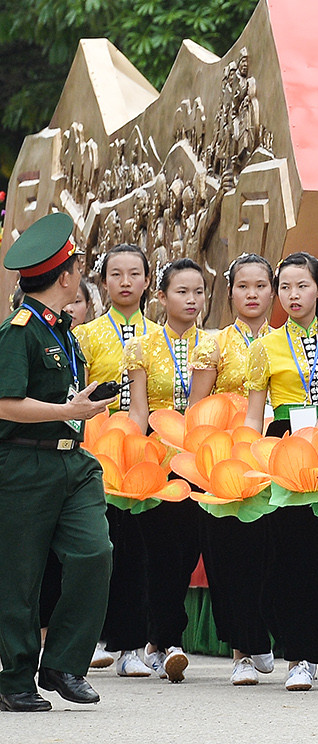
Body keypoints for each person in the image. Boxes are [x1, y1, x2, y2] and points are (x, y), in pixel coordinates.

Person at [0, 212, 112, 713]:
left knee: (95, 554)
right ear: (64, 275)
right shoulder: (18, 331)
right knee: (19, 578)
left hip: (74, 463)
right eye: (78, 267)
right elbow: (4, 402)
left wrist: (80, 404)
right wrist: (68, 410)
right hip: (24, 465)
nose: (81, 273)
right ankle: (16, 676)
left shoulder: (63, 329)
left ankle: (64, 663)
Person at [242, 253, 318, 692]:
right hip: (284, 442)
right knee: (284, 553)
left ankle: (312, 652)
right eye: (284, 287)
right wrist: (250, 459)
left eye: (302, 286)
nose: (292, 296)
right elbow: (252, 414)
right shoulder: (264, 346)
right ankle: (295, 656)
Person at [188, 253, 275, 683]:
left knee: (271, 552)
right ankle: (241, 648)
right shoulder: (212, 344)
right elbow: (197, 410)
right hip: (226, 462)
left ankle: (262, 634)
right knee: (230, 553)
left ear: (273, 290)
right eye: (244, 286)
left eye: (261, 285)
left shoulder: (287, 342)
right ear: (230, 291)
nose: (253, 294)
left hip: (276, 460)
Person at [125, 258, 212, 683]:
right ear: (160, 297)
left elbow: (200, 406)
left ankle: (159, 641)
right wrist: (136, 456)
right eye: (181, 291)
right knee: (158, 549)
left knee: (188, 548)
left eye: (198, 291)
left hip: (195, 457)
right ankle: (168, 640)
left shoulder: (211, 346)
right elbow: (139, 409)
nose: (192, 299)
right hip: (155, 459)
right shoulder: (140, 346)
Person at [72, 243, 155, 679]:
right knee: (95, 549)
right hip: (92, 451)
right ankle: (90, 640)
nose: (125, 282)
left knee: (137, 548)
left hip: (142, 452)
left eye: (134, 274)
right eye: (116, 274)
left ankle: (130, 646)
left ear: (147, 280)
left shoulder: (160, 336)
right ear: (103, 282)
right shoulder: (83, 337)